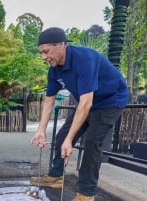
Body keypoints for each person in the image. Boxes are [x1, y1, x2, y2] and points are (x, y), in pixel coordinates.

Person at [30, 27, 128, 201]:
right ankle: (56, 177)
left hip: (110, 101)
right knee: (61, 137)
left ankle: (86, 193)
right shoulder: (54, 70)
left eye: (46, 52)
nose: (44, 57)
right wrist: (41, 130)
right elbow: (49, 100)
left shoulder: (84, 60)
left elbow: (86, 103)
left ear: (61, 44)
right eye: (41, 53)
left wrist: (71, 139)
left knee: (92, 142)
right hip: (88, 102)